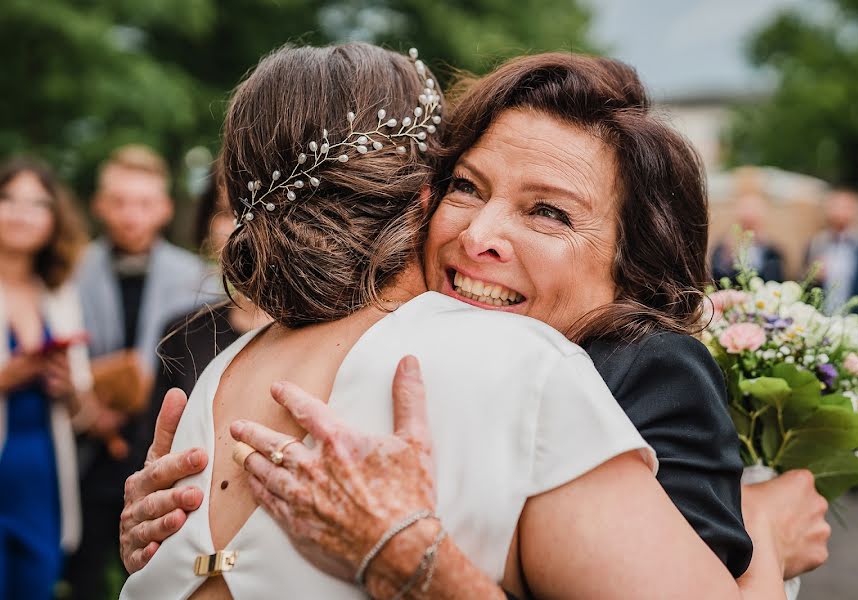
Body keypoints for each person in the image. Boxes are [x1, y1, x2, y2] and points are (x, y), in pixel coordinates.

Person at [116, 44, 816, 599]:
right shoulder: (239, 377)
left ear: (630, 262)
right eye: (466, 187)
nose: (480, 232)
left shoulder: (622, 371)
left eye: (548, 212)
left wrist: (756, 541)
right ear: (420, 196)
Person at [66, 145, 218, 599]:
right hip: (84, 450)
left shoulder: (198, 276)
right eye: (119, 201)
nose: (131, 215)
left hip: (163, 445)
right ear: (99, 205)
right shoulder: (70, 270)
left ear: (165, 208)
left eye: (145, 202)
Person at [0, 158, 95, 599]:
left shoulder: (60, 293)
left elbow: (81, 410)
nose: (21, 213)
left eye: (37, 204)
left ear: (54, 219)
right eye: (8, 199)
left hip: (44, 474)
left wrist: (67, 388)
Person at [148, 166, 270, 440]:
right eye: (227, 213)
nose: (240, 226)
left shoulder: (321, 334)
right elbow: (150, 446)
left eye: (254, 210)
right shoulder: (182, 333)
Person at [806, 188, 858, 332]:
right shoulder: (815, 245)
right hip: (820, 327)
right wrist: (812, 276)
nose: (840, 212)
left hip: (854, 328)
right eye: (835, 206)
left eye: (846, 207)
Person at [712, 192, 785, 283]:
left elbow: (776, 280)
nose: (750, 215)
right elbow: (716, 278)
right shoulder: (723, 248)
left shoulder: (772, 252)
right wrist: (726, 258)